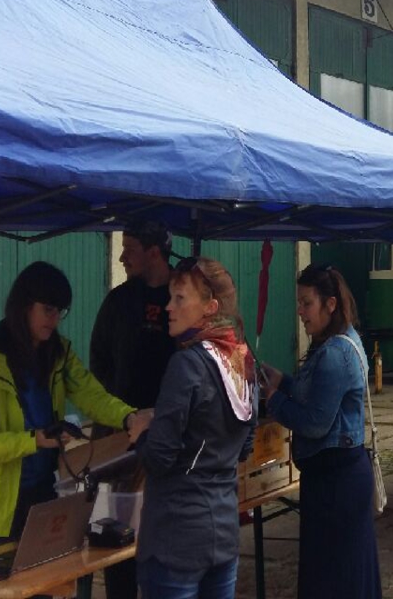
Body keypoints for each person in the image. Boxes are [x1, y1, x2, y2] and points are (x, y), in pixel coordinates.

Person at [0, 262, 138, 553]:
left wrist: (128, 417)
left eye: (60, 311)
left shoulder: (58, 353)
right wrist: (34, 440)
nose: (54, 320)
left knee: (45, 588)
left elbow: (93, 396)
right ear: (24, 306)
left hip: (44, 497)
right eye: (48, 310)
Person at [126, 256, 256, 599]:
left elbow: (159, 457)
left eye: (179, 298)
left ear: (210, 307)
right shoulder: (242, 359)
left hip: (176, 538)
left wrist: (143, 431)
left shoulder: (186, 365)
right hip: (223, 534)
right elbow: (243, 446)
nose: (168, 307)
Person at [261, 264, 381, 599]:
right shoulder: (334, 343)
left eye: (306, 303)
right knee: (339, 574)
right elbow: (312, 391)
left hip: (337, 484)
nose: (300, 312)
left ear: (330, 304)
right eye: (298, 303)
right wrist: (282, 381)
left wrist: (274, 401)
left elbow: (315, 421)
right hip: (334, 479)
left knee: (337, 578)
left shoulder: (335, 353)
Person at [90, 219, 178, 599]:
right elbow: (98, 368)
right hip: (120, 443)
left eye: (130, 248)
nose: (123, 256)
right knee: (115, 539)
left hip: (169, 446)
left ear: (154, 252)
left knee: (163, 544)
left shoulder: (182, 298)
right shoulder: (118, 301)